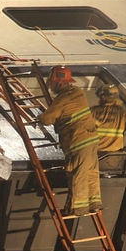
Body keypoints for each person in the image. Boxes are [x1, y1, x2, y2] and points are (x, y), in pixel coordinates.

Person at [37, 66, 102, 215]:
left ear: (59, 83)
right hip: (91, 140)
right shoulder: (78, 92)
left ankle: (78, 208)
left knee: (77, 174)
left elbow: (48, 119)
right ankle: (94, 202)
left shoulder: (63, 98)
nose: (51, 87)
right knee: (91, 172)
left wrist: (39, 117)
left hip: (78, 142)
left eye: (52, 83)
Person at [91, 84, 126, 153]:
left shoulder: (93, 111)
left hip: (96, 154)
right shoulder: (123, 113)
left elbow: (81, 128)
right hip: (115, 155)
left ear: (102, 96)